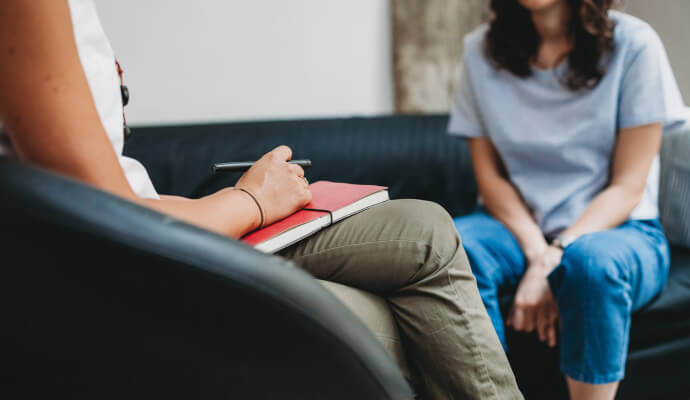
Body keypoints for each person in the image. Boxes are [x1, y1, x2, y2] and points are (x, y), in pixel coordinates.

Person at [0, 1, 524, 399]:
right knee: (391, 321)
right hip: (123, 268)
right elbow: (103, 218)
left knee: (424, 228)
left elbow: (117, 190)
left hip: (148, 227)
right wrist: (251, 200)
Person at [449, 0, 686, 399]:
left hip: (619, 229)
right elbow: (490, 178)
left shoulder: (636, 44)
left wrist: (555, 254)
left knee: (591, 265)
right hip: (512, 226)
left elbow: (628, 187)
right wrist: (537, 251)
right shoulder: (480, 49)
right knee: (449, 249)